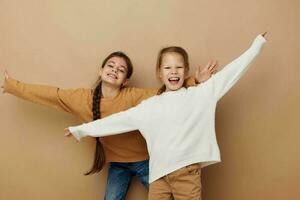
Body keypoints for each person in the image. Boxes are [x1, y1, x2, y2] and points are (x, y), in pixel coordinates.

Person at [66, 33, 267, 200]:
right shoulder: (149, 106)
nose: (174, 72)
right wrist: (81, 129)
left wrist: (256, 46)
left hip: (186, 174)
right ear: (159, 73)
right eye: (168, 68)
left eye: (179, 67)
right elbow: (117, 121)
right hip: (158, 177)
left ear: (186, 71)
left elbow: (231, 73)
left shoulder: (201, 94)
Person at [2, 51, 216, 200]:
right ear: (100, 70)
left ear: (125, 81)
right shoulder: (82, 98)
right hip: (118, 165)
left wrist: (193, 81)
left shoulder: (134, 96)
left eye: (121, 69)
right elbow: (52, 95)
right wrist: (13, 86)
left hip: (146, 161)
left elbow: (166, 92)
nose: (114, 70)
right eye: (110, 66)